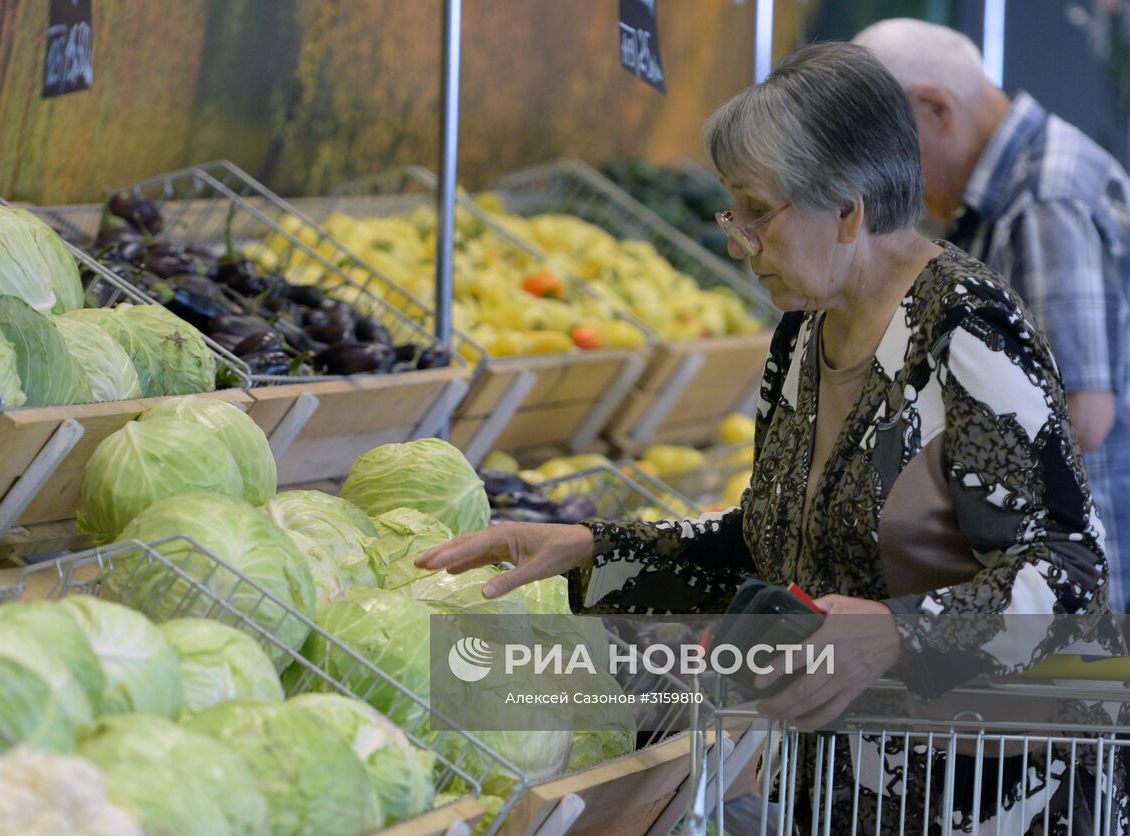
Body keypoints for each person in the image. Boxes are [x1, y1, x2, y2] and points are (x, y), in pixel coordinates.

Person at [416, 42, 1123, 832]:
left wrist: (897, 636)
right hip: (842, 793)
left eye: (757, 211)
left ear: (849, 210)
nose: (735, 241)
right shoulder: (801, 341)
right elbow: (765, 545)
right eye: (732, 209)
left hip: (995, 796)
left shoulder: (968, 332)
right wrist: (590, 551)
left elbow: (1068, 574)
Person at [854, 18, 1130, 614]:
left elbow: (1080, 415)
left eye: (891, 151)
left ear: (936, 109)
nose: (893, 180)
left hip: (1074, 584)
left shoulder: (1041, 203)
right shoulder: (1018, 189)